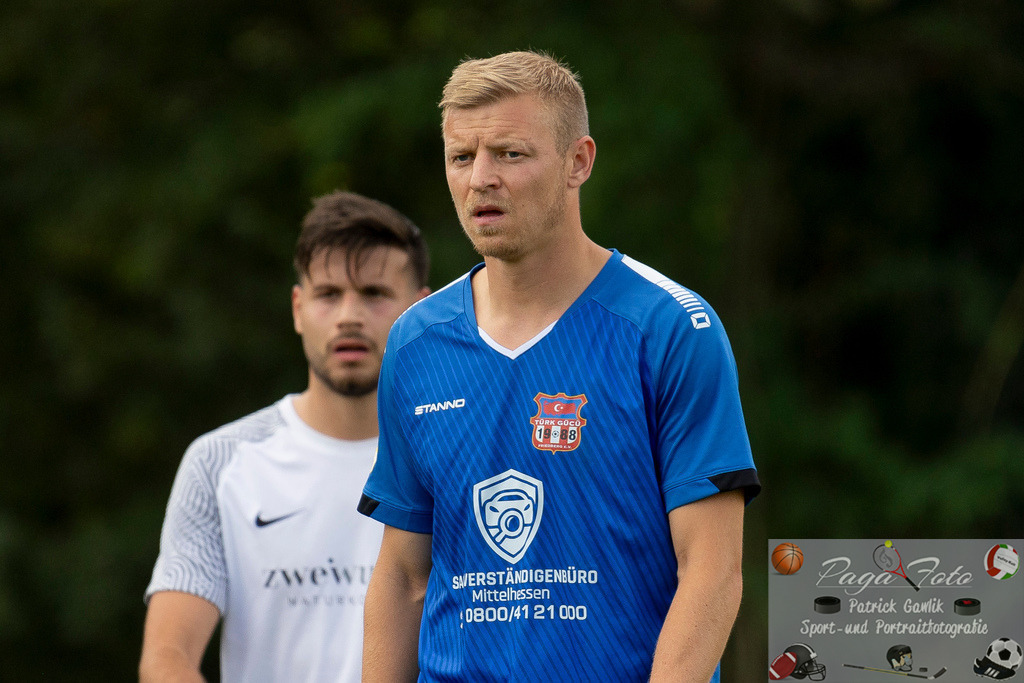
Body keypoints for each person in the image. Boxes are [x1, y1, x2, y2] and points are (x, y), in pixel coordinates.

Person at [358, 51, 761, 683]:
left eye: (510, 154)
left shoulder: (670, 327)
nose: (480, 179)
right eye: (462, 158)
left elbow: (712, 572)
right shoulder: (416, 342)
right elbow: (405, 577)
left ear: (579, 162)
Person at [139, 191, 430, 682]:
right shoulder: (221, 462)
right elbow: (167, 658)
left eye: (375, 293)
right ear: (298, 308)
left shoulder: (452, 458)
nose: (349, 316)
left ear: (420, 311)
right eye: (328, 294)